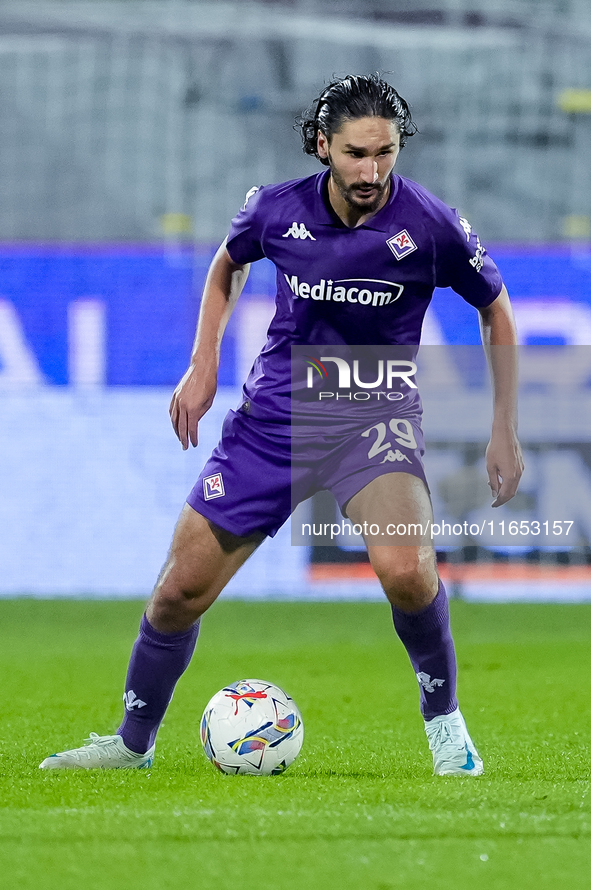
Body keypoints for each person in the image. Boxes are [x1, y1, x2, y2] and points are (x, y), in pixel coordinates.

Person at [40, 74, 523, 776]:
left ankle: (445, 725)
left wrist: (503, 426)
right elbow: (225, 265)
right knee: (178, 591)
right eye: (356, 153)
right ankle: (130, 744)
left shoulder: (430, 224)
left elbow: (496, 308)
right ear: (322, 145)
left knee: (408, 575)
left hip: (373, 419)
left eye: (385, 152)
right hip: (275, 422)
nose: (371, 170)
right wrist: (202, 363)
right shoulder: (276, 210)